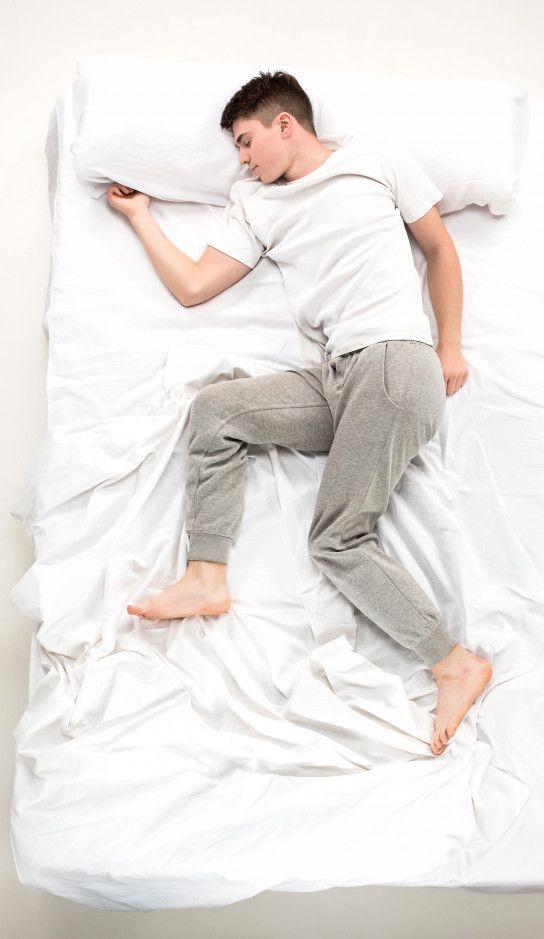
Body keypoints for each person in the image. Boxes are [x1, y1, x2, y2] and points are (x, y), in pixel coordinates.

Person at [107, 70, 492, 756]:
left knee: (337, 539)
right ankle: (207, 574)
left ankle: (453, 662)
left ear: (287, 124)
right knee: (217, 411)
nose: (243, 158)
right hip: (337, 377)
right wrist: (142, 217)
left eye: (247, 141)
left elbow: (439, 248)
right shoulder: (255, 203)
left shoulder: (374, 159)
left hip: (396, 362)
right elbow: (195, 285)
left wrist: (450, 345)